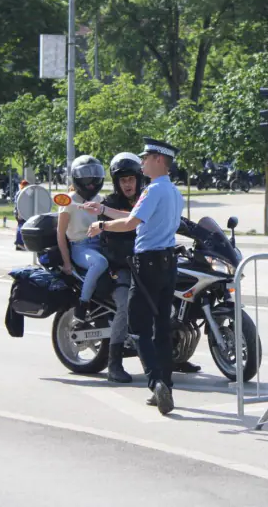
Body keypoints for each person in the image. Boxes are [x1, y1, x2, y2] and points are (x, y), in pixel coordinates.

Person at [87, 138, 184, 415]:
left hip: (147, 263)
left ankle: (155, 383)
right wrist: (103, 210)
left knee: (138, 327)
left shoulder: (153, 190)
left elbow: (130, 224)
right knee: (161, 328)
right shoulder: (173, 192)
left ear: (158, 160)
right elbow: (137, 215)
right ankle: (165, 385)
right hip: (168, 263)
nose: (142, 163)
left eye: (146, 158)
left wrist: (101, 226)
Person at [57, 155, 108, 322]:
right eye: (86, 176)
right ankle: (83, 303)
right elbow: (60, 233)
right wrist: (66, 262)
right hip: (80, 247)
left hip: (100, 243)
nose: (91, 181)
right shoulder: (69, 201)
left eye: (94, 175)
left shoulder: (99, 200)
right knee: (99, 263)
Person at [13, 180, 30, 251]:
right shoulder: (22, 193)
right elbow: (19, 204)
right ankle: (20, 243)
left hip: (20, 212)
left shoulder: (20, 192)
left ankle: (19, 244)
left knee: (21, 227)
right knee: (21, 227)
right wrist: (19, 213)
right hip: (21, 212)